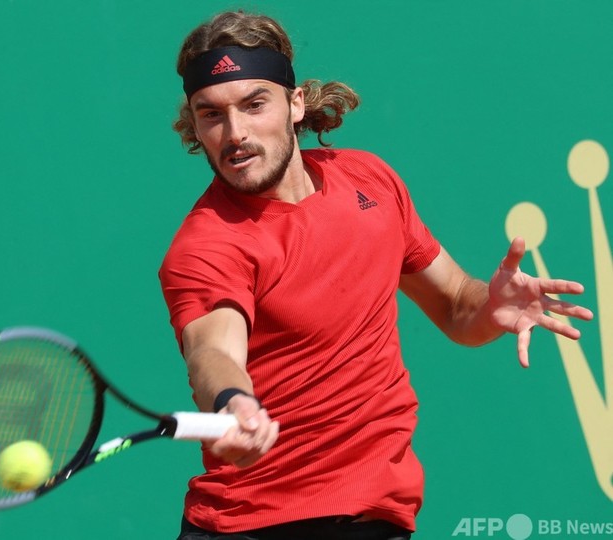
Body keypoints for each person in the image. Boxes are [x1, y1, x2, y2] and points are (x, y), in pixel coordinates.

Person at [158, 10, 594, 540]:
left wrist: (490, 306)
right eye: (211, 114)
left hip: (375, 517)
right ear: (195, 126)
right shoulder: (207, 244)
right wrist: (233, 401)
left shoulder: (370, 181)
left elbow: (456, 304)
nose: (236, 134)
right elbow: (212, 351)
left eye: (254, 104)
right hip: (253, 525)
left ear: (295, 104)